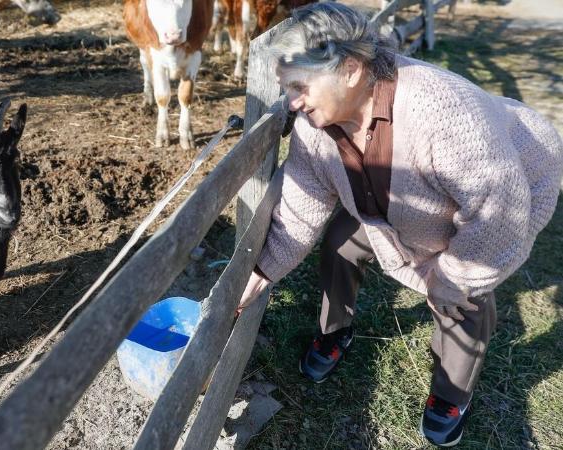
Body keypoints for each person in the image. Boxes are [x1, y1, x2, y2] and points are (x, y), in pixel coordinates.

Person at [235, 2, 563, 447]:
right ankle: (335, 333)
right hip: (399, 207)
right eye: (286, 88)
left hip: (506, 192)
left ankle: (450, 395)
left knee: (460, 298)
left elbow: (498, 213)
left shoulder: (443, 112)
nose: (291, 102)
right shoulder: (316, 125)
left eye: (299, 86)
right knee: (340, 241)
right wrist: (263, 271)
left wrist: (451, 277)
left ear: (350, 69)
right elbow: (301, 205)